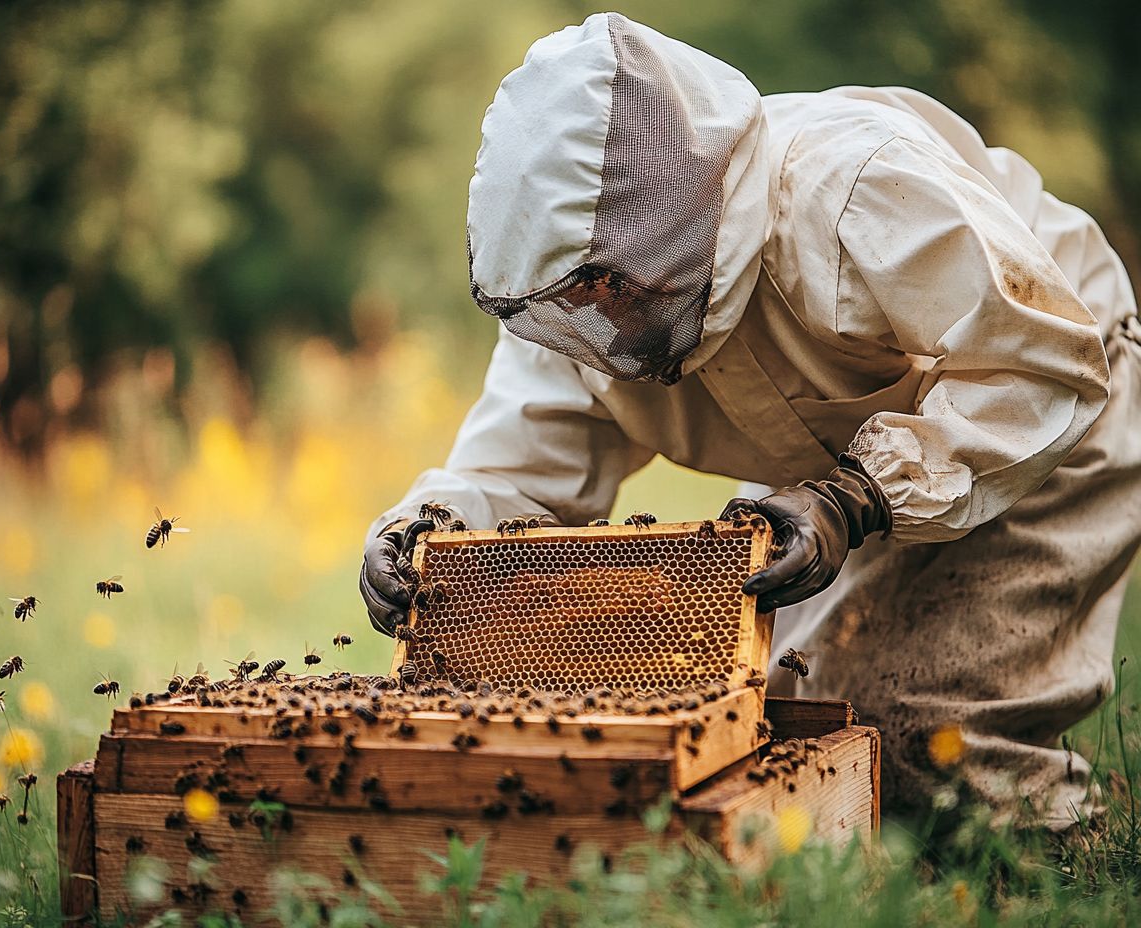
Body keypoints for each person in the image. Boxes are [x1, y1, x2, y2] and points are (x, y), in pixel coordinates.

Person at [360, 12, 1140, 828]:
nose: (588, 310)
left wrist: (852, 500)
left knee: (924, 730)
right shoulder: (582, 309)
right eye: (567, 296)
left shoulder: (851, 183)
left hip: (1050, 404)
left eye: (597, 280)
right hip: (848, 470)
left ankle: (1069, 865)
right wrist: (429, 529)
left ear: (662, 203)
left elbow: (1037, 362)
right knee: (785, 712)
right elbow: (515, 471)